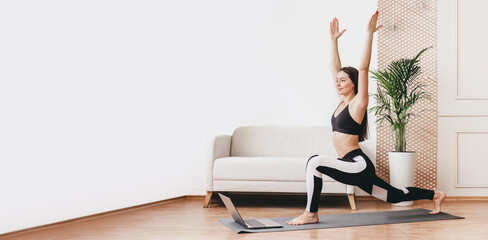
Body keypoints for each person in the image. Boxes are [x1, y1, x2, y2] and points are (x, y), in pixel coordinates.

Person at [286, 11, 446, 225]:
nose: (338, 82)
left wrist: (369, 34)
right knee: (394, 195)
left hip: (357, 164)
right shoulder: (342, 102)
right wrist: (333, 42)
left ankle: (311, 213)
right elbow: (334, 68)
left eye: (343, 80)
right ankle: (435, 195)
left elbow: (363, 68)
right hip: (349, 164)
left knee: (314, 162)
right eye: (337, 81)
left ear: (354, 82)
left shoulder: (358, 103)